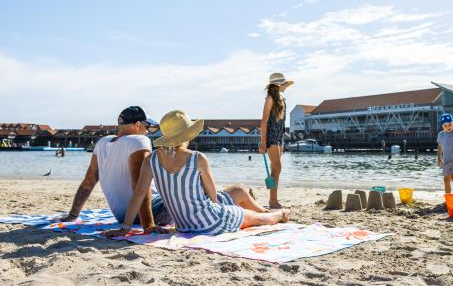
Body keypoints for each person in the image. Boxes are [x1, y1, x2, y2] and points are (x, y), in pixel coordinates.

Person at [103, 110, 288, 237]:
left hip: (183, 225)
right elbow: (213, 198)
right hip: (209, 223)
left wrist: (125, 228)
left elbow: (139, 194)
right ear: (187, 135)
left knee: (239, 191)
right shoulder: (197, 158)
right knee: (256, 218)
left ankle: (267, 210)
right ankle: (280, 214)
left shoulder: (151, 160)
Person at [61, 106, 170, 232]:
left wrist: (73, 215)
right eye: (147, 127)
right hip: (150, 211)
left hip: (122, 217)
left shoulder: (102, 142)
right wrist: (148, 225)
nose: (146, 131)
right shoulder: (140, 141)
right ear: (138, 125)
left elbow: (88, 182)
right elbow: (139, 185)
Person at [259, 72, 293, 209]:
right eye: (284, 84)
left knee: (276, 169)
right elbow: (264, 122)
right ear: (278, 85)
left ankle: (273, 200)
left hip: (279, 136)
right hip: (271, 137)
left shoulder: (281, 99)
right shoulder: (270, 99)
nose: (286, 86)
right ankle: (273, 201)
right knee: (277, 167)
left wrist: (282, 138)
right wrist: (262, 142)